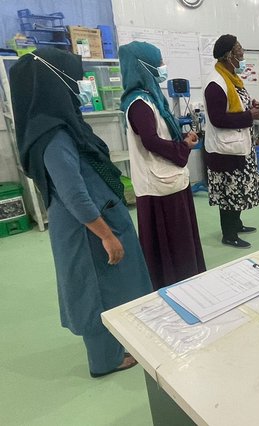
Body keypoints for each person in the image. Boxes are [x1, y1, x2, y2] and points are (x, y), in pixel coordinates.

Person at [9, 48, 153, 377]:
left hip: (98, 220)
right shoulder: (53, 136)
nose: (81, 84)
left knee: (114, 287)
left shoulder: (63, 126)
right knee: (96, 293)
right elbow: (72, 191)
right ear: (53, 83)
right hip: (87, 230)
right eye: (75, 79)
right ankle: (106, 361)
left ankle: (116, 346)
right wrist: (106, 235)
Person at [119, 41, 206, 289]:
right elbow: (150, 141)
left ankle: (186, 282)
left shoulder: (151, 98)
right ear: (142, 67)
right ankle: (172, 287)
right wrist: (182, 148)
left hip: (169, 179)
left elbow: (161, 133)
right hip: (158, 185)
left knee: (180, 242)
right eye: (158, 64)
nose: (162, 68)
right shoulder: (139, 104)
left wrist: (182, 139)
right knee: (170, 245)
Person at [203, 35, 259, 249]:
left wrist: (250, 107)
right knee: (229, 193)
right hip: (224, 150)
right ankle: (228, 234)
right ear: (229, 56)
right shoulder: (215, 84)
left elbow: (235, 106)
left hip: (239, 145)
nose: (243, 57)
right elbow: (218, 119)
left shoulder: (233, 79)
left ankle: (236, 224)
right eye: (240, 54)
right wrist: (249, 116)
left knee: (239, 189)